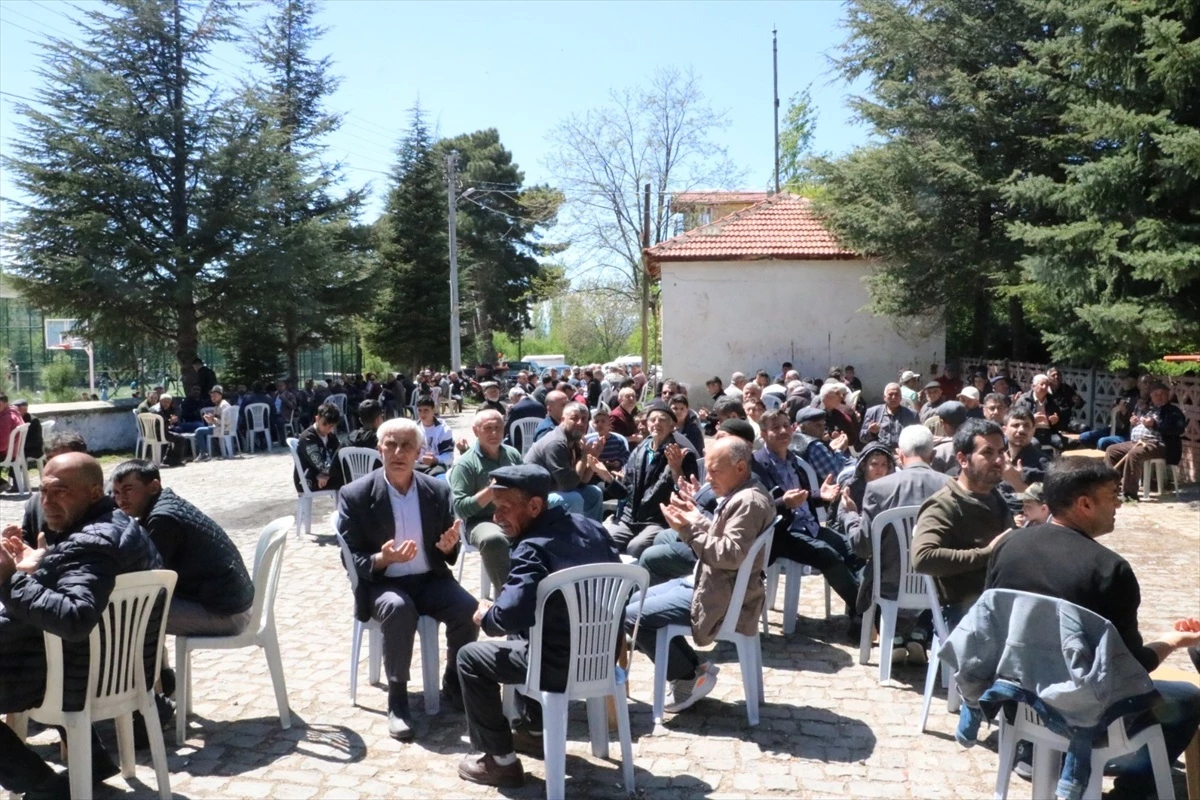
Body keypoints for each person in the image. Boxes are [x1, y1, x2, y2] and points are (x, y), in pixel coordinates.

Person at [985, 458, 1200, 796]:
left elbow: (990, 625)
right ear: (1085, 504)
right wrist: (1171, 641)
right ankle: (1131, 790)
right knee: (1188, 698)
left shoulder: (1009, 546)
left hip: (1018, 699)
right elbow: (1132, 670)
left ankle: (1034, 752)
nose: (1118, 504)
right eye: (1113, 495)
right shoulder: (1109, 570)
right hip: (1084, 715)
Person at [0, 453, 162, 799]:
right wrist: (37, 565)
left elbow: (74, 617)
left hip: (77, 676)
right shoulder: (118, 526)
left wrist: (9, 580)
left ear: (92, 493)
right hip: (111, 669)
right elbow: (73, 582)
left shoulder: (91, 544)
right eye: (43, 492)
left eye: (61, 492)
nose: (47, 503)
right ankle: (94, 763)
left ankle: (43, 787)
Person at [454, 465, 619, 787]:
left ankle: (500, 760)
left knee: (469, 658)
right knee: (528, 633)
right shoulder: (591, 527)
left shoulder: (532, 547)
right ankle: (532, 730)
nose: (496, 517)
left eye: (505, 508)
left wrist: (486, 615)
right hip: (602, 656)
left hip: (556, 665)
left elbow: (508, 617)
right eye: (494, 508)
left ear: (534, 506)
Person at [336, 418, 477, 740]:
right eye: (391, 445)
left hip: (430, 579)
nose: (398, 452)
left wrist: (448, 547)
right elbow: (350, 557)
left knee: (469, 610)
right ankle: (397, 699)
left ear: (419, 452)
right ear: (379, 449)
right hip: (383, 584)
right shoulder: (356, 494)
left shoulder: (436, 489)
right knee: (399, 609)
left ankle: (454, 681)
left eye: (407, 446)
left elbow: (447, 545)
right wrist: (382, 559)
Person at [624, 437, 775, 713]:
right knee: (630, 604)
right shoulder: (743, 493)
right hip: (712, 583)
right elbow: (726, 539)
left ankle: (686, 677)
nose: (708, 478)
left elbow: (728, 555)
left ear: (740, 468)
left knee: (632, 617)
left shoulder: (748, 502)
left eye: (715, 471)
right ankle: (694, 669)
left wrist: (687, 530)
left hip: (723, 596)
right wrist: (695, 517)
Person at [843, 425, 952, 658]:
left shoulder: (878, 488)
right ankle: (919, 635)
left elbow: (862, 547)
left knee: (871, 571)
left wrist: (850, 516)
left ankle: (895, 638)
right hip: (938, 582)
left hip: (889, 582)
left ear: (900, 455)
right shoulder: (951, 487)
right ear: (932, 455)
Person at [111, 460, 253, 636]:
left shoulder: (163, 519)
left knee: (125, 613)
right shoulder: (165, 503)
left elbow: (146, 578)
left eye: (128, 490)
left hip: (227, 614)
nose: (121, 500)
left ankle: (151, 665)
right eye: (116, 493)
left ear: (154, 487)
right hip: (232, 603)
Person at [754, 409, 862, 637]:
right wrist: (784, 502)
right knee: (827, 555)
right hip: (782, 533)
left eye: (786, 425)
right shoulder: (758, 464)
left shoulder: (794, 461)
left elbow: (802, 497)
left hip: (809, 526)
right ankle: (869, 611)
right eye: (775, 428)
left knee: (853, 550)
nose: (783, 431)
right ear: (764, 433)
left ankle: (858, 611)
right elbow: (758, 506)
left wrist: (818, 496)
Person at [911, 418, 1014, 629]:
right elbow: (923, 558)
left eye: (1001, 452)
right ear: (963, 459)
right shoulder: (945, 504)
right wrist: (987, 553)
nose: (998, 460)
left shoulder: (995, 497)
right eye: (987, 452)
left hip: (1002, 600)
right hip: (965, 612)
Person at [605, 402, 699, 557]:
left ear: (672, 426)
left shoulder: (682, 453)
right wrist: (606, 476)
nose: (656, 423)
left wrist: (676, 469)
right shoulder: (640, 449)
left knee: (635, 547)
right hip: (630, 518)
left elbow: (688, 495)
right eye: (652, 420)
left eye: (662, 420)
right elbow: (626, 491)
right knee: (606, 542)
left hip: (658, 519)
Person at [449, 409, 524, 591]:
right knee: (493, 539)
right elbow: (462, 508)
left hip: (514, 515)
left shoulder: (512, 454)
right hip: (481, 520)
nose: (494, 433)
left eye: (498, 428)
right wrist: (491, 490)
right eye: (488, 428)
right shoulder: (466, 464)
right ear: (476, 431)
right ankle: (508, 594)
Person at [1104, 382, 1187, 500]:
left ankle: (1129, 494)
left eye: (1163, 394)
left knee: (1134, 454)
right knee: (1112, 450)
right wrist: (1134, 422)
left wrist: (1155, 424)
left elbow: (1178, 429)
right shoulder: (1148, 410)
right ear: (1151, 397)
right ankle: (1109, 489)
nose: (1160, 396)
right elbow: (1131, 423)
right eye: (1156, 394)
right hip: (1137, 442)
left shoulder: (1173, 411)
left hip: (1158, 444)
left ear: (1168, 395)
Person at [523, 402, 605, 521]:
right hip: (534, 497)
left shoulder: (573, 441)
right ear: (562, 420)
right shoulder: (556, 443)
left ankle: (592, 535)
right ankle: (572, 537)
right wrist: (584, 456)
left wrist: (594, 455)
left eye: (584, 419)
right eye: (574, 418)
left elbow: (583, 480)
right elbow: (568, 485)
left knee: (594, 493)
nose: (580, 423)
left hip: (557, 490)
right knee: (573, 498)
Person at [996, 408, 1051, 514]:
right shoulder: (996, 456)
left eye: (1026, 426)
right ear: (1004, 430)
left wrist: (1017, 483)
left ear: (1033, 430)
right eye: (1015, 425)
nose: (1021, 430)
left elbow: (1044, 506)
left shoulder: (1043, 465)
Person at [294, 402, 343, 494]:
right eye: (324, 424)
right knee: (347, 480)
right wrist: (330, 473)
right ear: (317, 419)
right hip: (307, 479)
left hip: (325, 475)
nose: (327, 429)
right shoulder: (308, 438)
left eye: (331, 426)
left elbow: (338, 456)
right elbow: (320, 464)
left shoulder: (331, 436)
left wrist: (328, 474)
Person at [791, 406, 851, 482]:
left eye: (824, 425)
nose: (823, 429)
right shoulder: (815, 446)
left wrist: (831, 448)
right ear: (803, 428)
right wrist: (839, 450)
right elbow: (836, 476)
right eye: (818, 425)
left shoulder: (792, 439)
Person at [859, 383, 919, 450]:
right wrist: (871, 432)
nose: (894, 397)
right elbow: (862, 438)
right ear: (884, 397)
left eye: (897, 394)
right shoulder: (873, 412)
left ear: (901, 398)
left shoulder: (912, 415)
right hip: (879, 453)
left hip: (904, 452)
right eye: (890, 394)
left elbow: (918, 438)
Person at [414, 395, 454, 477]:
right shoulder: (413, 428)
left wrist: (435, 460)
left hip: (437, 465)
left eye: (426, 410)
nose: (422, 413)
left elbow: (449, 456)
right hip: (418, 465)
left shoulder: (444, 430)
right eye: (420, 410)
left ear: (433, 410)